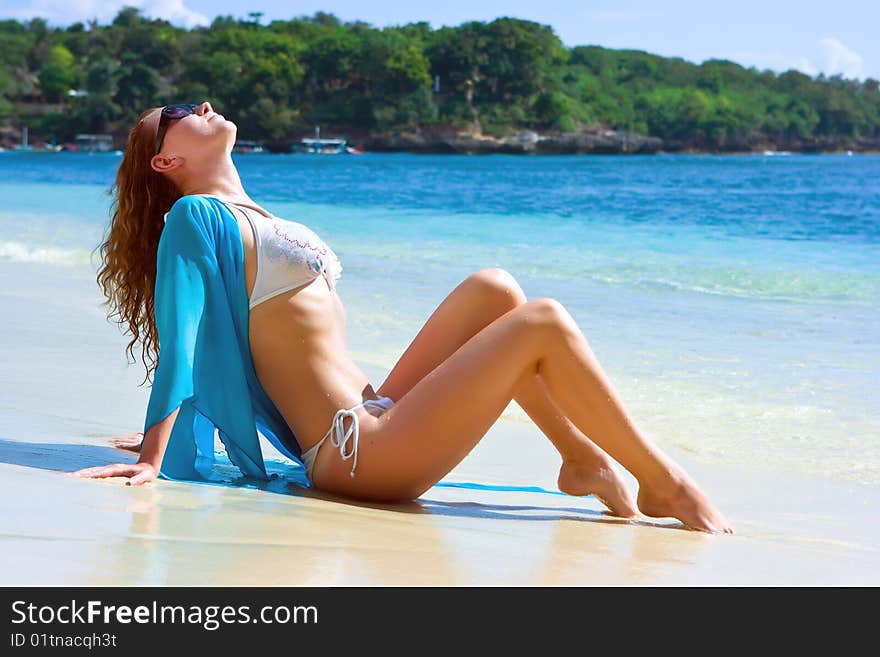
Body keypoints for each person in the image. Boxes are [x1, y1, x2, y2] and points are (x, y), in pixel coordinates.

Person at [73, 101, 733, 534]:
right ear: (167, 161)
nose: (202, 106)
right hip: (355, 450)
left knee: (495, 288)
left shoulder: (258, 216)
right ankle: (664, 482)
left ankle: (579, 458)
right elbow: (182, 334)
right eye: (182, 113)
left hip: (379, 408)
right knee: (544, 323)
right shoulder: (195, 218)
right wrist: (155, 454)